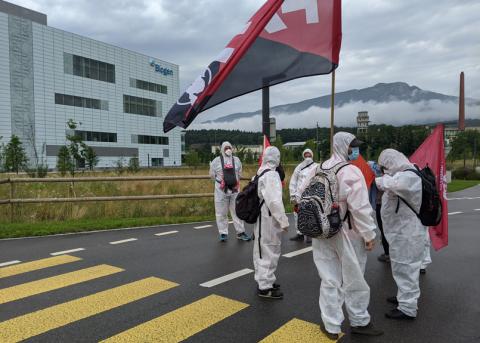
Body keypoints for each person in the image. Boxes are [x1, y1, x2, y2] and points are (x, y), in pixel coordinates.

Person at [298, 132, 383, 339]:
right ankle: (360, 321)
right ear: (344, 147)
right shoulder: (351, 171)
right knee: (354, 279)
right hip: (349, 233)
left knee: (329, 279)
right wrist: (369, 234)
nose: (356, 150)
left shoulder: (318, 168)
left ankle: (331, 325)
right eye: (353, 146)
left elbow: (302, 195)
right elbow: (361, 208)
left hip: (322, 231)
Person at [376, 148, 426, 320]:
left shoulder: (410, 175)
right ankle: (402, 297)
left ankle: (408, 308)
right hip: (402, 231)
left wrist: (378, 179)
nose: (384, 171)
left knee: (407, 269)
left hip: (408, 233)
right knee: (400, 267)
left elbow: (392, 184)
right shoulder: (404, 173)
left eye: (384, 167)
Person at [253, 146, 290, 299]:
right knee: (270, 249)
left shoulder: (260, 172)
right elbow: (274, 201)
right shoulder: (272, 175)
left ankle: (265, 280)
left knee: (261, 250)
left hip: (262, 217)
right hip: (269, 218)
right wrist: (283, 220)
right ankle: (265, 287)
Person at [209, 141, 251, 242]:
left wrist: (233, 181)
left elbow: (240, 173)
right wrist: (222, 183)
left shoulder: (236, 160)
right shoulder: (216, 161)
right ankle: (223, 233)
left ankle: (240, 232)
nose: (228, 149)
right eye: (226, 147)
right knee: (221, 212)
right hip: (221, 191)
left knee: (237, 211)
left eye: (229, 147)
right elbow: (212, 175)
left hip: (234, 190)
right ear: (222, 149)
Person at [289, 148, 317, 243]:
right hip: (299, 195)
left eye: (309, 155)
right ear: (303, 156)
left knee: (312, 214)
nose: (307, 157)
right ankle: (299, 233)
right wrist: (292, 194)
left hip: (312, 195)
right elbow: (293, 181)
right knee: (297, 214)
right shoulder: (299, 167)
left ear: (312, 155)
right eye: (306, 155)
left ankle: (311, 234)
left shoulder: (317, 167)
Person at [368, 161, 390, 263]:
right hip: (391, 206)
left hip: (381, 205)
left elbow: (375, 183)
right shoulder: (395, 175)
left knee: (384, 230)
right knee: (389, 230)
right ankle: (391, 253)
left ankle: (388, 254)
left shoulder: (380, 179)